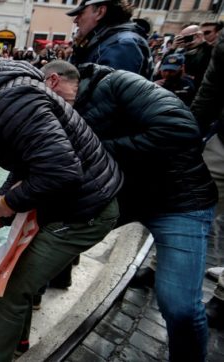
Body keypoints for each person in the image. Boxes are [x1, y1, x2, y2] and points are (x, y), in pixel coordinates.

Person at [0, 32, 122, 362]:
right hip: (75, 203)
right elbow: (28, 164)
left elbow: (62, 172)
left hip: (84, 213)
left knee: (10, 290)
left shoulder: (13, 102)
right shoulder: (8, 92)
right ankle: (16, 341)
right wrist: (1, 206)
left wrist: (7, 204)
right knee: (15, 275)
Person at [42, 58, 217, 361]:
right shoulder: (64, 112)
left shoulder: (121, 83)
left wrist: (97, 148)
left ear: (53, 82)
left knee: (180, 307)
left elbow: (181, 128)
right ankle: (15, 318)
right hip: (121, 199)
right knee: (43, 234)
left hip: (179, 203)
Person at [192, 31, 224, 330]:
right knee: (188, 206)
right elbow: (211, 88)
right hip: (222, 143)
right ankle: (157, 265)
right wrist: (189, 133)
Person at [67, 0, 151, 78]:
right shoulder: (107, 41)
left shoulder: (122, 45)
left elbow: (108, 91)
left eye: (81, 13)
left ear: (100, 12)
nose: (75, 20)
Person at [164, 24, 213, 91]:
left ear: (198, 36)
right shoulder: (180, 53)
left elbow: (207, 60)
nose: (185, 40)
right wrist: (172, 48)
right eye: (182, 38)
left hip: (196, 89)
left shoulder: (207, 51)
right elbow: (163, 66)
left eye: (187, 37)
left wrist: (203, 42)